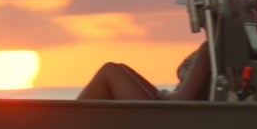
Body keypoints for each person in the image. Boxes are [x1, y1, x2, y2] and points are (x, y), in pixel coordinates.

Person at [75, 46, 211, 101]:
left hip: (168, 117)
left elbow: (182, 99)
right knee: (120, 68)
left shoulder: (209, 48)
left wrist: (160, 95)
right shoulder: (212, 45)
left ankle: (68, 124)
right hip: (170, 110)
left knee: (110, 70)